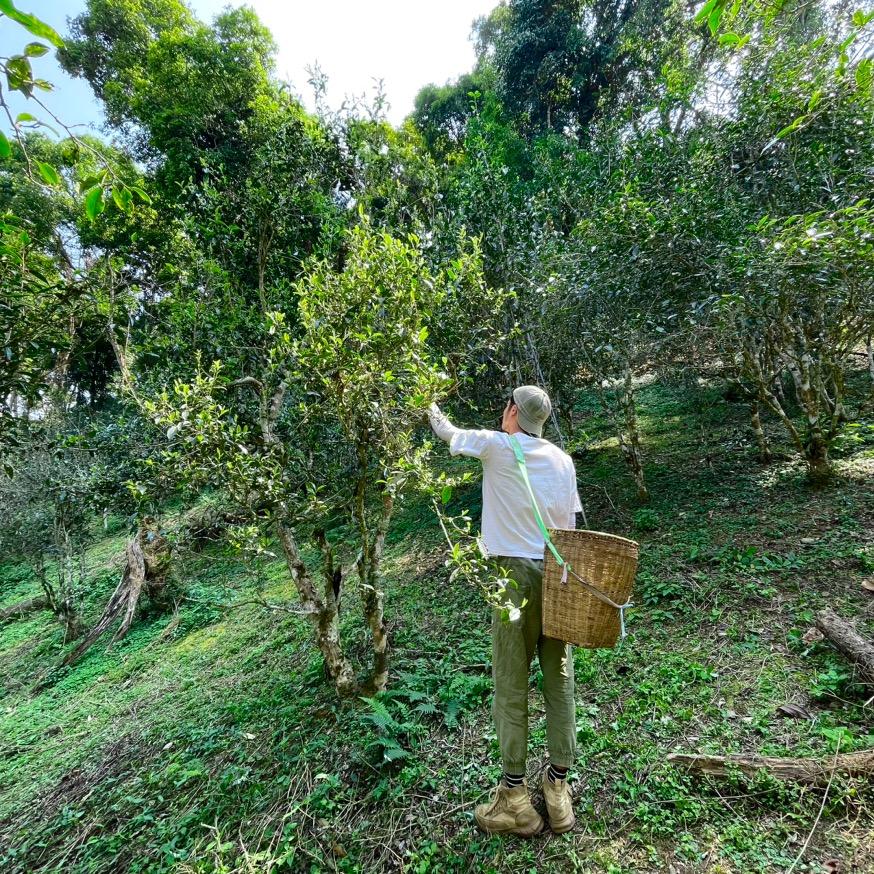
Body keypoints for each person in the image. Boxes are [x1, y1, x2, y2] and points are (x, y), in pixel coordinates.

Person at [429, 386, 582, 836]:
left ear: (513, 411)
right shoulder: (562, 460)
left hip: (514, 578)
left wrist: (426, 402)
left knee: (511, 682)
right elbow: (569, 529)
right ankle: (557, 790)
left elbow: (446, 431)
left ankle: (515, 799)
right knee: (560, 681)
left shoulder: (498, 446)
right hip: (559, 575)